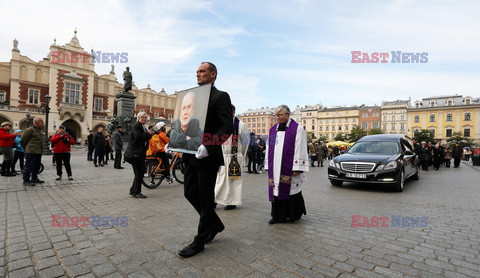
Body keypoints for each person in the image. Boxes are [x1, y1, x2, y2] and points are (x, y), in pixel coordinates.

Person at [178, 62, 233, 258]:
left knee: (206, 197)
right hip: (190, 154)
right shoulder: (192, 97)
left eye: (202, 71)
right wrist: (173, 140)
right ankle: (215, 224)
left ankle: (200, 240)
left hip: (207, 156)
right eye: (197, 72)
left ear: (213, 74)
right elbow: (185, 123)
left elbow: (226, 127)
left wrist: (208, 145)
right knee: (189, 192)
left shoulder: (221, 97)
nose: (198, 74)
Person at [265, 105, 309, 224]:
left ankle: (292, 215)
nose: (278, 117)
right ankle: (276, 216)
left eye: (280, 115)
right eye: (277, 115)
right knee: (275, 191)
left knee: (291, 191)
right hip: (275, 167)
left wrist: (297, 167)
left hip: (289, 166)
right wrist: (268, 165)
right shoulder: (273, 130)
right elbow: (269, 148)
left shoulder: (297, 128)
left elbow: (300, 148)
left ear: (288, 115)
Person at [214, 104, 250, 210]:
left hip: (234, 157)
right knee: (220, 180)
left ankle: (231, 202)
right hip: (223, 156)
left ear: (233, 112)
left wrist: (240, 156)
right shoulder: (220, 124)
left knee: (233, 181)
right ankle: (214, 200)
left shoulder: (241, 126)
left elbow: (245, 143)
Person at [128, 111, 154, 198]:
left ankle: (133, 190)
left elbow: (145, 137)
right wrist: (148, 134)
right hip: (136, 153)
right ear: (138, 118)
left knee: (139, 172)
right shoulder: (136, 126)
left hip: (140, 153)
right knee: (139, 172)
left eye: (145, 117)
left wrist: (150, 134)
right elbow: (138, 137)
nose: (144, 119)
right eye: (143, 117)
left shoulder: (142, 126)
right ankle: (136, 192)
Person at [20, 117, 45, 185]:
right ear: (36, 122)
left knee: (37, 166)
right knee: (29, 166)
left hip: (38, 151)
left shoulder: (39, 130)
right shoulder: (30, 130)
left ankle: (34, 178)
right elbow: (22, 141)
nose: (43, 123)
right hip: (31, 151)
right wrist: (27, 148)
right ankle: (26, 180)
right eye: (41, 122)